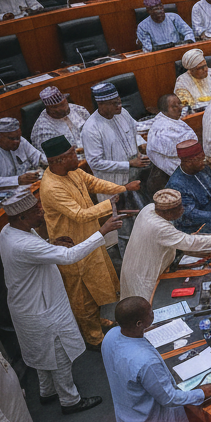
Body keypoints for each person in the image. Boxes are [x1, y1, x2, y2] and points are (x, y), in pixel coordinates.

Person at [0, 188, 112, 413]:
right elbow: (68, 257)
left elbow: (36, 248)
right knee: (58, 353)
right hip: (42, 308)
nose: (41, 211)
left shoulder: (8, 231)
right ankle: (70, 400)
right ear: (22, 217)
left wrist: (50, 243)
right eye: (36, 210)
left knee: (41, 352)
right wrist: (102, 232)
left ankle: (47, 391)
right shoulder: (24, 245)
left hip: (27, 306)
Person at [39, 136, 134, 346]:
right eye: (72, 154)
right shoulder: (51, 187)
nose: (77, 156)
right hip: (72, 246)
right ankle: (93, 338)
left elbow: (93, 183)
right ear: (58, 160)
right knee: (82, 294)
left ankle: (97, 321)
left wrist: (122, 188)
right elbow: (79, 215)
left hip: (90, 237)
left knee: (97, 284)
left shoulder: (72, 171)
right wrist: (110, 204)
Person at [120, 189, 211, 300]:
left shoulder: (149, 208)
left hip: (137, 265)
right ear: (168, 212)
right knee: (146, 302)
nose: (183, 209)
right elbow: (190, 242)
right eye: (179, 208)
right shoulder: (160, 228)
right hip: (143, 275)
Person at [82, 82, 149, 188]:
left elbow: (135, 129)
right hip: (114, 181)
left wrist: (140, 148)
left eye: (119, 101)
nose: (120, 106)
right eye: (114, 103)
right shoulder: (91, 129)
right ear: (101, 104)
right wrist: (129, 164)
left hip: (136, 167)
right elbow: (95, 163)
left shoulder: (122, 113)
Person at [145, 94, 197, 189]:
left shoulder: (173, 119)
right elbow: (184, 151)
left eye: (179, 104)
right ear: (164, 110)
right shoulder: (160, 130)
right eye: (174, 106)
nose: (180, 108)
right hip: (178, 177)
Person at [0, 118, 41, 191]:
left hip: (22, 188)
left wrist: (48, 162)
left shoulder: (21, 141)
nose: (17, 142)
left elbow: (38, 157)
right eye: (12, 138)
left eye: (18, 137)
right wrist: (18, 180)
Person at [31, 86, 90, 151]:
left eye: (63, 104)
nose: (64, 109)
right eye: (56, 107)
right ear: (48, 108)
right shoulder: (42, 130)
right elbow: (47, 155)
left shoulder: (77, 109)